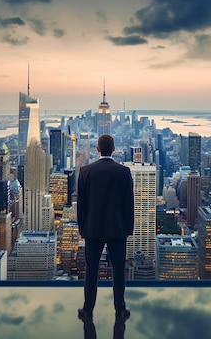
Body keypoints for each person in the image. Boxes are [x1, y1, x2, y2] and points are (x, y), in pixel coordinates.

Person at [77, 134, 134, 320]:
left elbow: (82, 205)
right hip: (118, 229)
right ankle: (120, 309)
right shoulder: (124, 172)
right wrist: (128, 229)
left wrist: (82, 229)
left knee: (91, 270)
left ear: (98, 149)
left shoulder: (85, 171)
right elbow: (128, 204)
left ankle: (87, 309)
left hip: (93, 229)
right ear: (114, 149)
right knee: (118, 271)